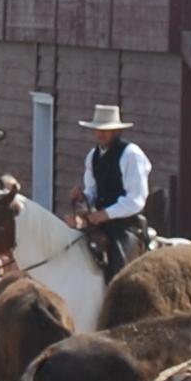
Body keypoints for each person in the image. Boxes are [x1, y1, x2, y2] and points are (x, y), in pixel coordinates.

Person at [70, 106, 151, 273]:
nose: (101, 134)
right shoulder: (92, 156)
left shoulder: (131, 154)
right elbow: (93, 191)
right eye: (98, 130)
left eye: (106, 130)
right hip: (98, 223)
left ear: (117, 131)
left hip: (125, 225)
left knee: (121, 271)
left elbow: (136, 199)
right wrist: (82, 197)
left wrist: (106, 214)